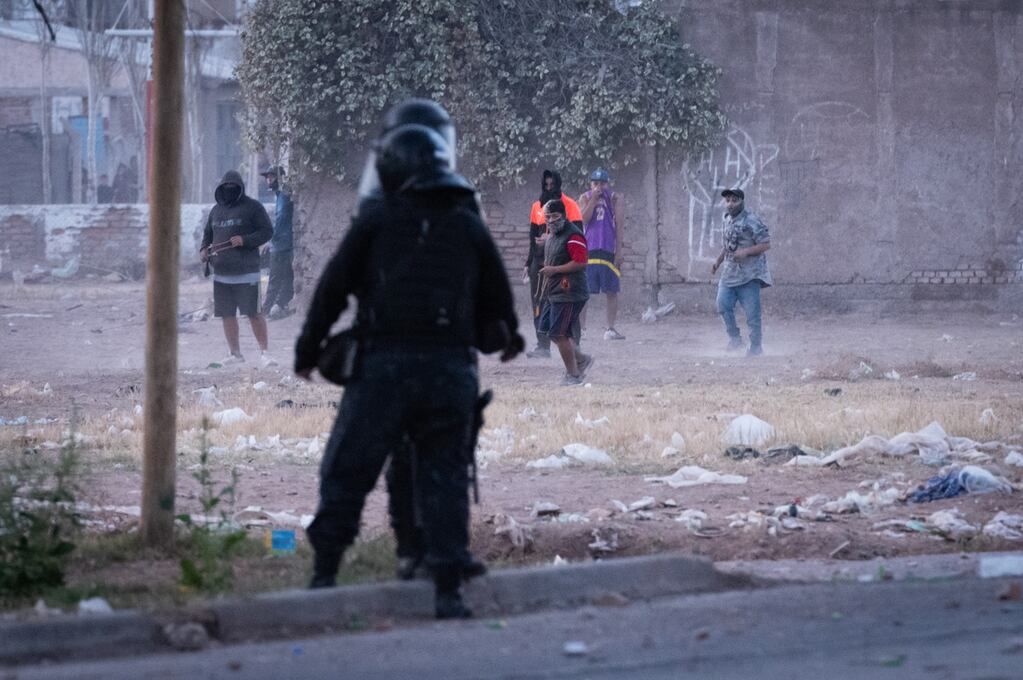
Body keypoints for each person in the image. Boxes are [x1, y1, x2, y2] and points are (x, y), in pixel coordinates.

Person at [294, 118, 522, 619]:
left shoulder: (376, 221)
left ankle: (324, 573)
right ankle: (447, 590)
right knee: (443, 476)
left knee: (348, 468)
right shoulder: (466, 221)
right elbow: (500, 300)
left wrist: (307, 352)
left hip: (383, 368)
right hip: (448, 373)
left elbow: (332, 288)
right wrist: (509, 337)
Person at [200, 169, 278, 367]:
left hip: (247, 272)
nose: (229, 191)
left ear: (240, 188)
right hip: (221, 274)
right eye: (225, 188)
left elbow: (267, 231)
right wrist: (204, 249)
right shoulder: (215, 211)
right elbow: (207, 234)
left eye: (233, 188)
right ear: (220, 189)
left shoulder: (253, 207)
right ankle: (235, 353)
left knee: (253, 313)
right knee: (227, 314)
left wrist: (244, 240)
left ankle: (265, 353)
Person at [524, 170, 582, 358]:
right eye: (546, 185)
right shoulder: (536, 207)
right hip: (539, 265)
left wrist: (549, 238)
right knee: (538, 303)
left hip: (563, 266)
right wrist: (528, 263)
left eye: (552, 185)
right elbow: (532, 238)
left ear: (558, 184)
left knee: (566, 301)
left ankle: (575, 346)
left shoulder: (570, 205)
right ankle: (542, 346)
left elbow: (577, 235)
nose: (549, 188)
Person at [537, 199, 593, 385]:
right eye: (548, 217)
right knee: (552, 332)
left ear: (564, 215)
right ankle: (582, 359)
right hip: (554, 292)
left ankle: (574, 376)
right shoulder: (552, 235)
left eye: (555, 216)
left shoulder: (574, 236)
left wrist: (555, 270)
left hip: (570, 292)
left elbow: (581, 262)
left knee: (559, 334)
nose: (551, 220)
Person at [711, 188, 772, 356]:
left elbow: (766, 244)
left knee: (752, 314)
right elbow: (728, 244)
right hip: (729, 274)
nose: (730, 204)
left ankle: (756, 348)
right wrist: (718, 261)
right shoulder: (726, 220)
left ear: (742, 202)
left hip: (749, 275)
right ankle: (735, 339)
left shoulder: (752, 220)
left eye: (734, 200)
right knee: (722, 305)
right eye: (728, 200)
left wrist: (746, 252)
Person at [578, 168, 625, 340]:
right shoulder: (584, 198)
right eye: (595, 183)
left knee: (611, 290)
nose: (599, 187)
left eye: (602, 183)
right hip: (588, 249)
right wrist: (594, 200)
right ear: (591, 184)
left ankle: (610, 329)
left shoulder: (615, 198)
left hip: (608, 249)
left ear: (607, 183)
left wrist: (619, 251)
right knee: (584, 292)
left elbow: (620, 226)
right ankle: (581, 330)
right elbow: (583, 219)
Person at [260, 166, 296, 320]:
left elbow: (281, 218)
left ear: (280, 178)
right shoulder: (282, 195)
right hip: (286, 244)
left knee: (275, 279)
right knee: (286, 278)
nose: (269, 180)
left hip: (281, 245)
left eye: (272, 177)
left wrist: (271, 239)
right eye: (268, 178)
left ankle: (266, 311)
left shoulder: (283, 196)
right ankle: (279, 307)